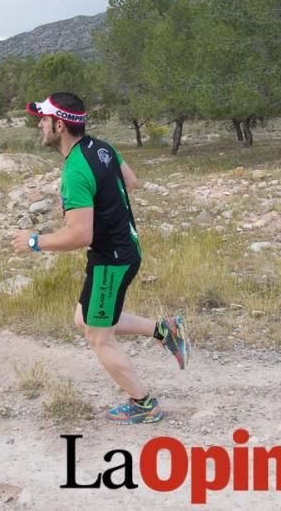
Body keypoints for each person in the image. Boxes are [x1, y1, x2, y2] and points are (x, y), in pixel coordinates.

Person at [12, 92, 189, 424]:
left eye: (44, 119)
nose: (40, 124)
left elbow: (81, 236)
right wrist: (102, 202)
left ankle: (144, 404)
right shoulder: (101, 147)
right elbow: (131, 181)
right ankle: (166, 331)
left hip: (112, 260)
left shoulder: (75, 169)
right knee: (85, 319)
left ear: (59, 125)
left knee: (98, 335)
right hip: (121, 251)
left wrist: (36, 241)